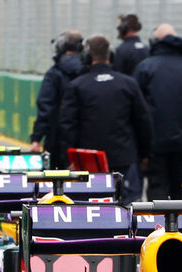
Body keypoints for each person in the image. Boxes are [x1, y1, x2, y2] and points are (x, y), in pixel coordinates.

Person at [60, 35, 153, 203]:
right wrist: (145, 154)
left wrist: (69, 160)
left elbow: (67, 126)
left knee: (90, 208)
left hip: (88, 161)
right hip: (123, 159)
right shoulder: (128, 84)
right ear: (110, 56)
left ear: (87, 57)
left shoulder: (77, 86)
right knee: (127, 209)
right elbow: (143, 121)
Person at [133, 24, 182, 200]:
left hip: (153, 143)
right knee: (176, 187)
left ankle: (157, 226)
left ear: (156, 42)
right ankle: (176, 225)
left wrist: (137, 143)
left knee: (157, 187)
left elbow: (136, 110)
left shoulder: (145, 68)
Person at [30, 30, 85, 169]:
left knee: (53, 182)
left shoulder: (54, 74)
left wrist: (36, 138)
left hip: (56, 137)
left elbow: (45, 106)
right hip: (84, 137)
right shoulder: (88, 71)